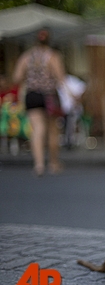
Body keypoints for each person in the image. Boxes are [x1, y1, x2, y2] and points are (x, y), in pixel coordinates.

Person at [13, 28, 70, 176]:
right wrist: (71, 95)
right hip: (49, 95)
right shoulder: (52, 56)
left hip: (32, 95)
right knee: (52, 130)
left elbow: (17, 77)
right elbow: (61, 78)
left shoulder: (26, 56)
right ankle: (53, 163)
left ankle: (38, 165)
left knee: (37, 129)